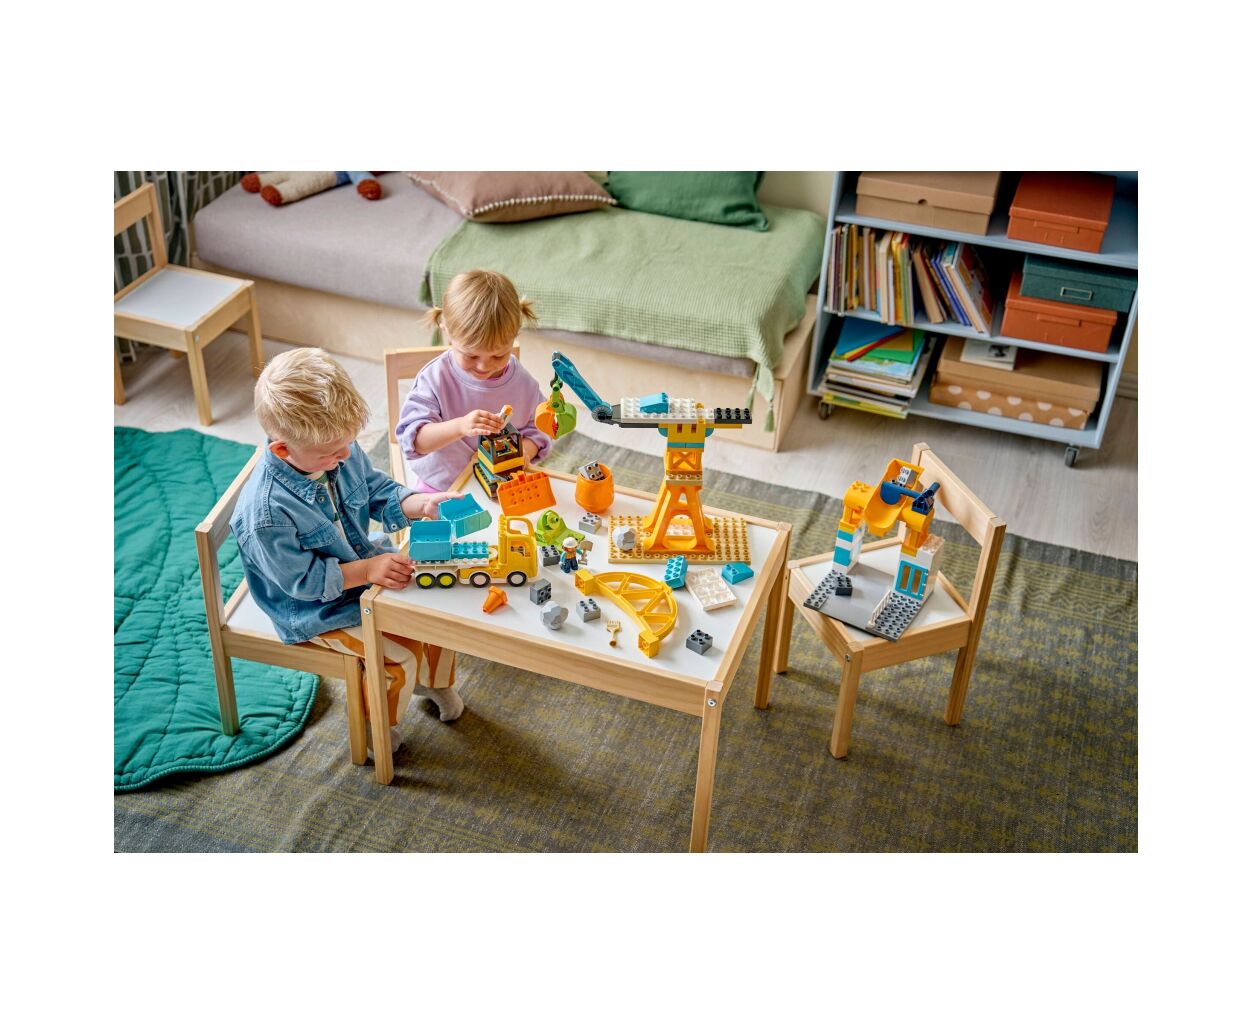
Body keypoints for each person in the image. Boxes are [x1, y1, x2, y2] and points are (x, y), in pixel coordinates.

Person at [230, 348, 465, 755]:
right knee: (398, 656)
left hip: (362, 570)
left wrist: (419, 504)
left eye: (348, 444)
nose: (344, 457)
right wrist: (368, 570)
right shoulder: (265, 513)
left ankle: (432, 683)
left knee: (438, 612)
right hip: (313, 609)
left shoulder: (337, 447)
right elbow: (304, 582)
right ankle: (376, 726)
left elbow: (376, 490)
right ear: (283, 450)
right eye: (331, 453)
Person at [396, 269, 551, 491]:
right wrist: (460, 426)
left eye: (498, 355)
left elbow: (539, 427)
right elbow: (415, 441)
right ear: (447, 333)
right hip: (441, 484)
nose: (484, 366)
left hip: (501, 483)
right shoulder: (435, 379)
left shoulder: (522, 382)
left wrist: (525, 449)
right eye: (471, 356)